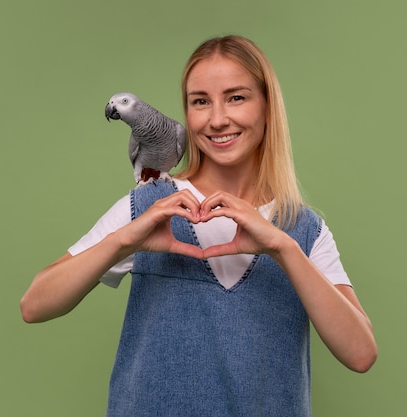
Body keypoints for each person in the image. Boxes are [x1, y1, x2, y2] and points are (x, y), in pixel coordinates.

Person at [21, 35, 377, 416]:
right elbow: (35, 305)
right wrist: (124, 241)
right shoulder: (148, 205)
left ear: (267, 107)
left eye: (237, 97)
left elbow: (360, 353)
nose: (217, 118)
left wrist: (282, 248)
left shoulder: (303, 229)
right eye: (200, 101)